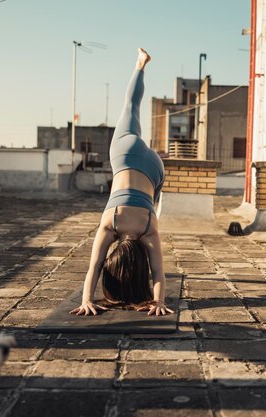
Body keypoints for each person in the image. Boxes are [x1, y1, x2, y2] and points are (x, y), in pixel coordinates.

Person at [69, 48, 173, 317]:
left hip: (156, 170)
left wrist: (159, 301)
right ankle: (140, 64)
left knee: (152, 197)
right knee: (131, 106)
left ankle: (141, 65)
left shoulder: (149, 231)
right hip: (126, 154)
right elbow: (95, 265)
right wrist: (86, 298)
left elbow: (158, 272)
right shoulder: (109, 225)